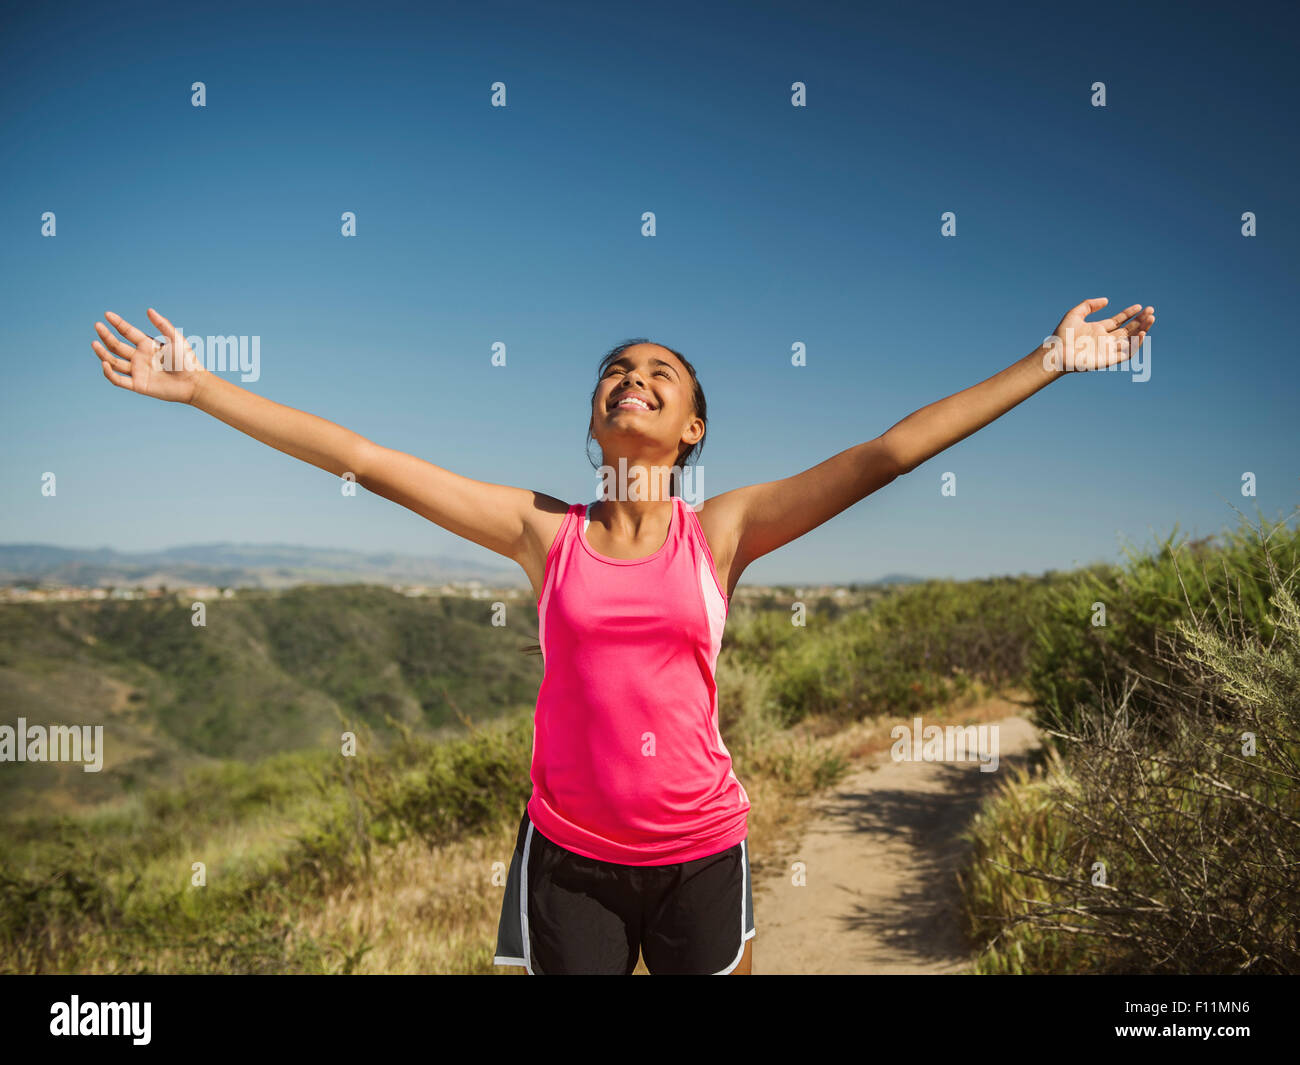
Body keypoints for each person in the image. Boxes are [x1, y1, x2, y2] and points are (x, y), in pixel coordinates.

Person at [91, 299, 1155, 974]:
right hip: (569, 859)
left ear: (690, 426)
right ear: (594, 419)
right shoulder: (541, 531)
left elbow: (888, 454)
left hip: (703, 851)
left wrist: (1047, 360)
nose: (632, 375)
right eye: (614, 369)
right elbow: (364, 458)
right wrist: (200, 390)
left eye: (659, 371)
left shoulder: (724, 531)